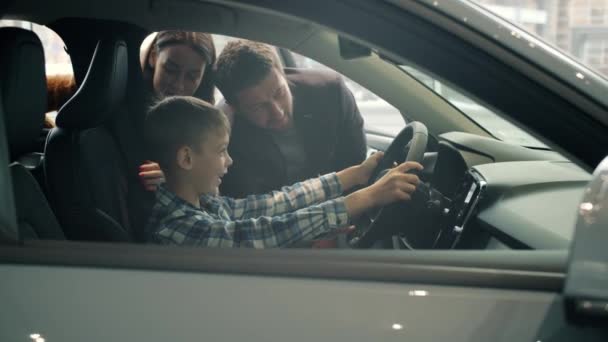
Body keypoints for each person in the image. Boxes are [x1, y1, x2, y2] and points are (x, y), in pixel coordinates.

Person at [144, 96, 422, 248]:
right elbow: (265, 233)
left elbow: (276, 203)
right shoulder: (178, 230)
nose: (228, 161)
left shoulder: (205, 204)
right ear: (187, 158)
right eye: (221, 151)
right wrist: (368, 198)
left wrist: (354, 176)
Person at [214, 40, 368, 198]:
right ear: (235, 109)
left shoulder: (331, 93)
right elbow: (246, 203)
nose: (277, 112)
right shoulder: (229, 139)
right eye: (258, 107)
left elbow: (356, 164)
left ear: (283, 74)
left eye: (279, 93)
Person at [138, 31, 217, 190]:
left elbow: (214, 191)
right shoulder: (124, 109)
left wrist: (175, 180)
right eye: (170, 70)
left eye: (192, 76)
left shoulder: (205, 122)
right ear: (153, 57)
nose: (179, 85)